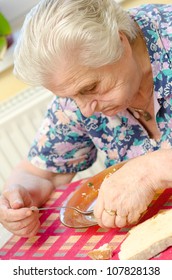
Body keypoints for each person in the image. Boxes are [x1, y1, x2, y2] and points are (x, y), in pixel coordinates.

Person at [0, 0, 171, 237]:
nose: (85, 110)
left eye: (90, 87)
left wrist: (150, 169)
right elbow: (40, 172)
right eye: (71, 97)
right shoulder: (76, 85)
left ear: (120, 43)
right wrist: (17, 197)